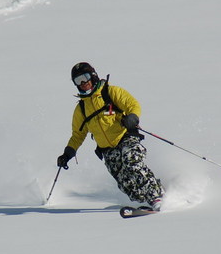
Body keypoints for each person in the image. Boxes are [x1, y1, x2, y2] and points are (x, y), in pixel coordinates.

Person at [57, 62, 165, 211]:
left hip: (126, 137)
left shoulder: (110, 92)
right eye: (78, 81)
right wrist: (68, 153)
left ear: (93, 76)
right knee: (124, 181)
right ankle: (144, 201)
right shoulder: (81, 109)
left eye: (85, 77)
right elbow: (78, 135)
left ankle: (155, 196)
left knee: (131, 162)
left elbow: (132, 104)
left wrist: (132, 118)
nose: (83, 83)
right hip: (107, 149)